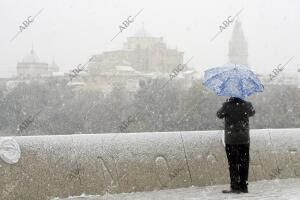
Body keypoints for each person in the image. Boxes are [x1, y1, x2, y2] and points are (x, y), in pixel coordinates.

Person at [217, 97, 255, 194]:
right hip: (244, 139)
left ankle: (235, 186)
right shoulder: (247, 104)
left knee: (233, 164)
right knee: (244, 163)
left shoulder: (227, 105)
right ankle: (243, 186)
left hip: (231, 140)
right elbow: (252, 112)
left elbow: (219, 115)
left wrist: (226, 103)